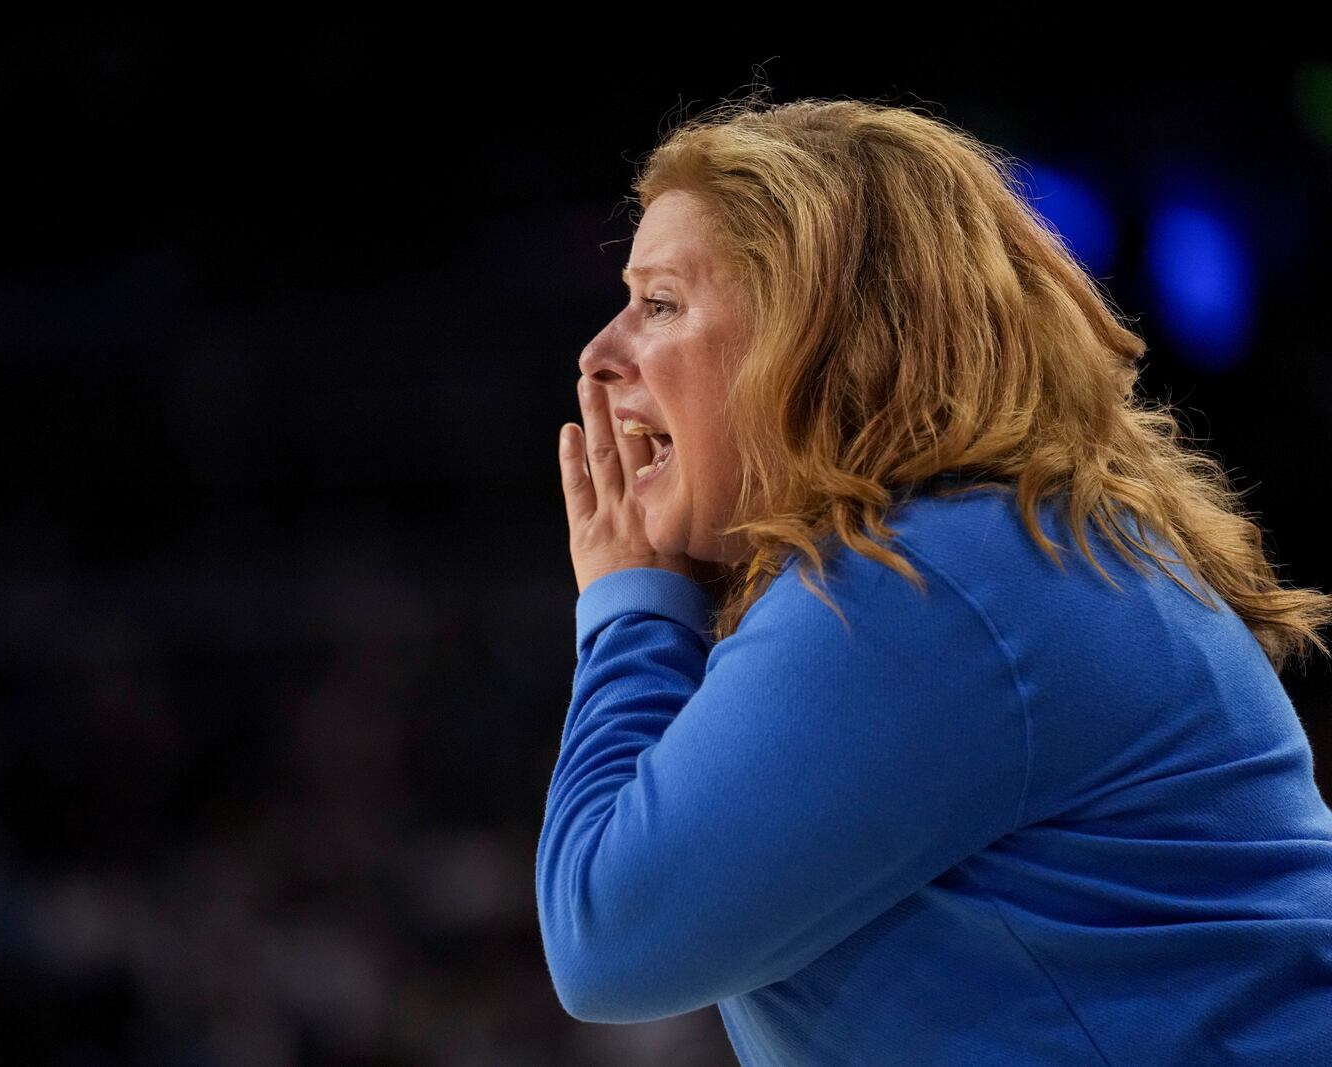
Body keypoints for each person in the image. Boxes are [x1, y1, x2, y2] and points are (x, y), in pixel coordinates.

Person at [539, 94, 1332, 1065]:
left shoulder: (929, 579)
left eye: (659, 302)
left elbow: (605, 938)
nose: (598, 353)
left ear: (819, 333)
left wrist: (628, 606)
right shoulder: (996, 546)